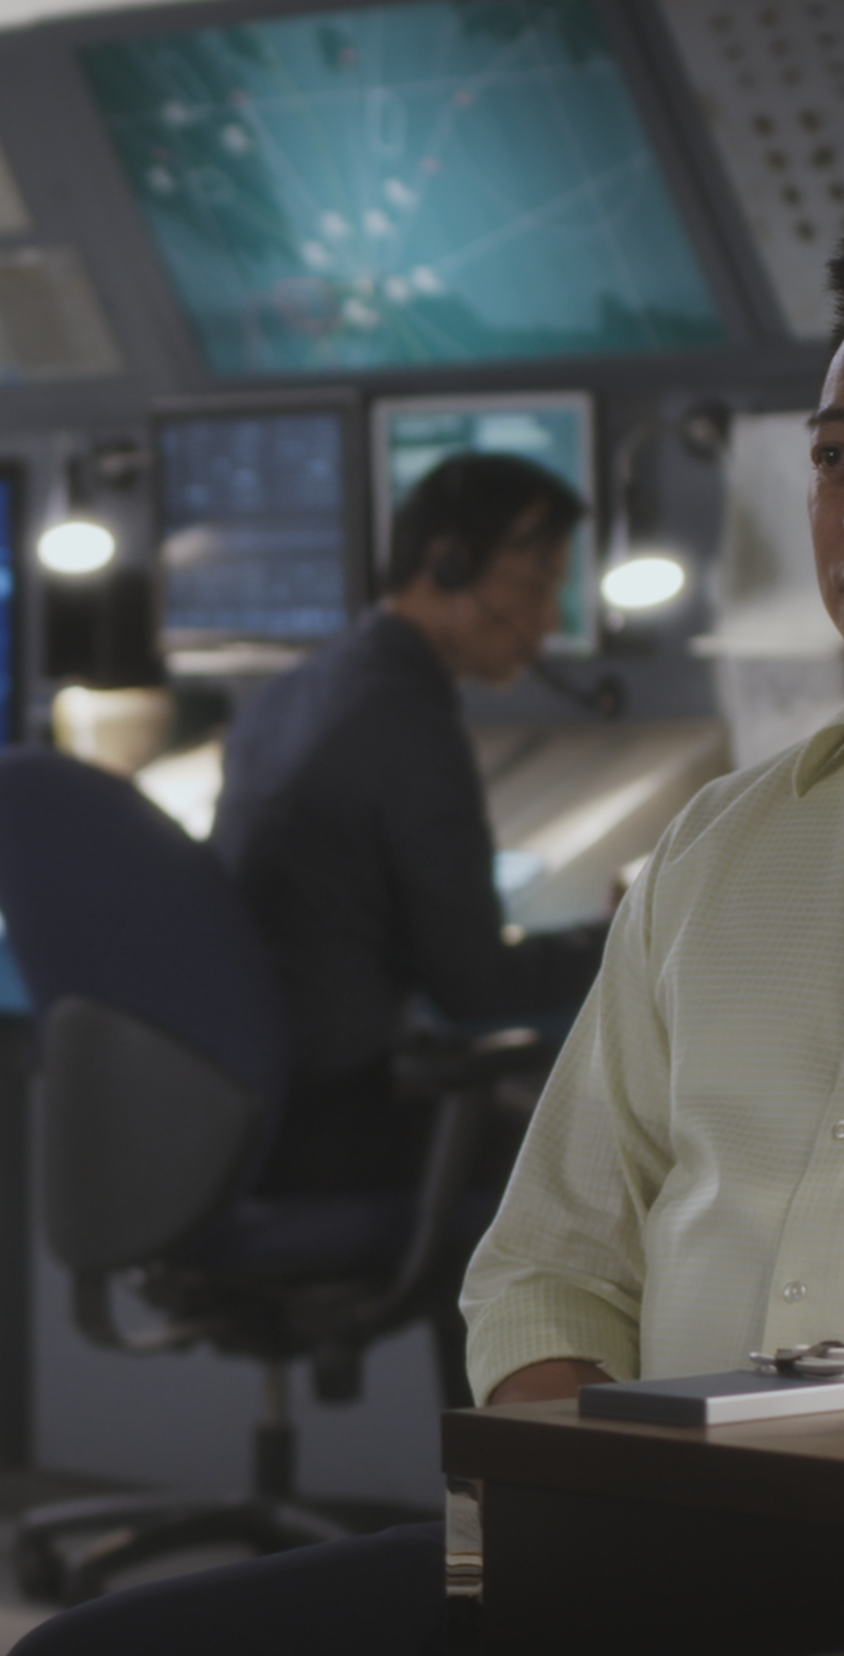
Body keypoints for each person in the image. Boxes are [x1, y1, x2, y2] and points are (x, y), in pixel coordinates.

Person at [0, 213, 844, 1656]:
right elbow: (547, 1259)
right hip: (655, 1543)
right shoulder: (725, 841)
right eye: (834, 456)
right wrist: (583, 1506)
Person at [211, 450, 608, 1200]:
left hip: (250, 1116)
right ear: (448, 565)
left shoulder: (291, 693)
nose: (548, 620)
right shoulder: (406, 724)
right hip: (339, 1128)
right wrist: (626, 938)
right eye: (537, 585)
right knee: (607, 1171)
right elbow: (475, 986)